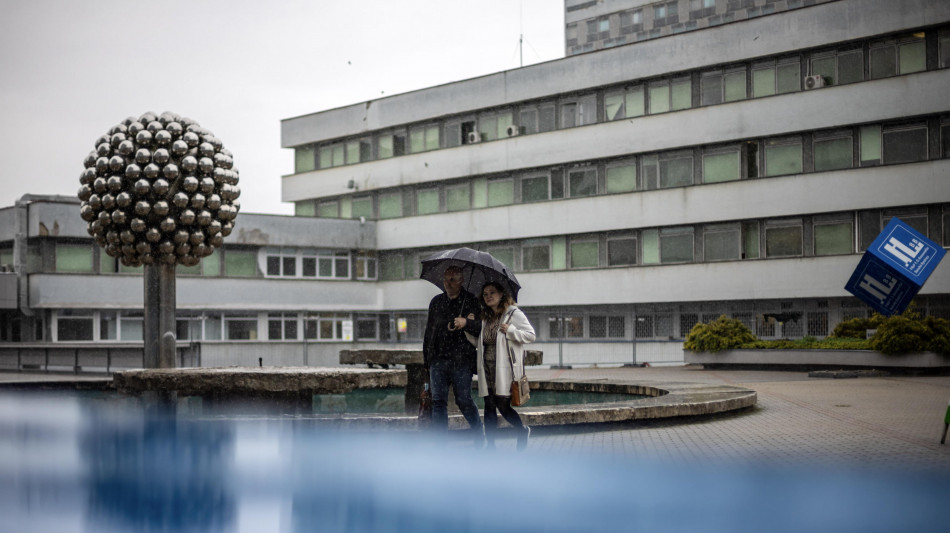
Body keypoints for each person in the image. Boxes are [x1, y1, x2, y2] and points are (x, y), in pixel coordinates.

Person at [422, 266, 484, 443]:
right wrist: (427, 360)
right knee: (438, 402)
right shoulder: (436, 302)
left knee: (463, 399)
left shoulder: (471, 301)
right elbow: (429, 332)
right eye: (446, 280)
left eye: (453, 279)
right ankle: (440, 443)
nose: (448, 284)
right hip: (438, 361)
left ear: (461, 281)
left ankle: (478, 431)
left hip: (462, 360)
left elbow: (482, 328)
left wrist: (466, 322)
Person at [476, 281, 535, 450]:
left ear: (502, 294)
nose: (488, 296)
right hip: (486, 367)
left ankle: (521, 431)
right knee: (488, 405)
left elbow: (531, 335)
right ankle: (491, 445)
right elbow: (481, 341)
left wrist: (510, 331)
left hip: (505, 369)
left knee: (502, 405)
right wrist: (466, 327)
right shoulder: (485, 316)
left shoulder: (513, 313)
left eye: (492, 292)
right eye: (485, 294)